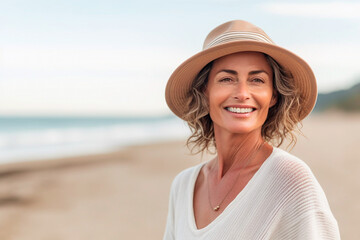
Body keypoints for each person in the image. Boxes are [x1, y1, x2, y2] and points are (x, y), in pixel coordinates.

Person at [163, 20, 340, 239]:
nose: (242, 93)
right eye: (227, 79)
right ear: (204, 91)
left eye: (257, 80)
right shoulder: (183, 186)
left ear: (273, 95)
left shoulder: (291, 180)